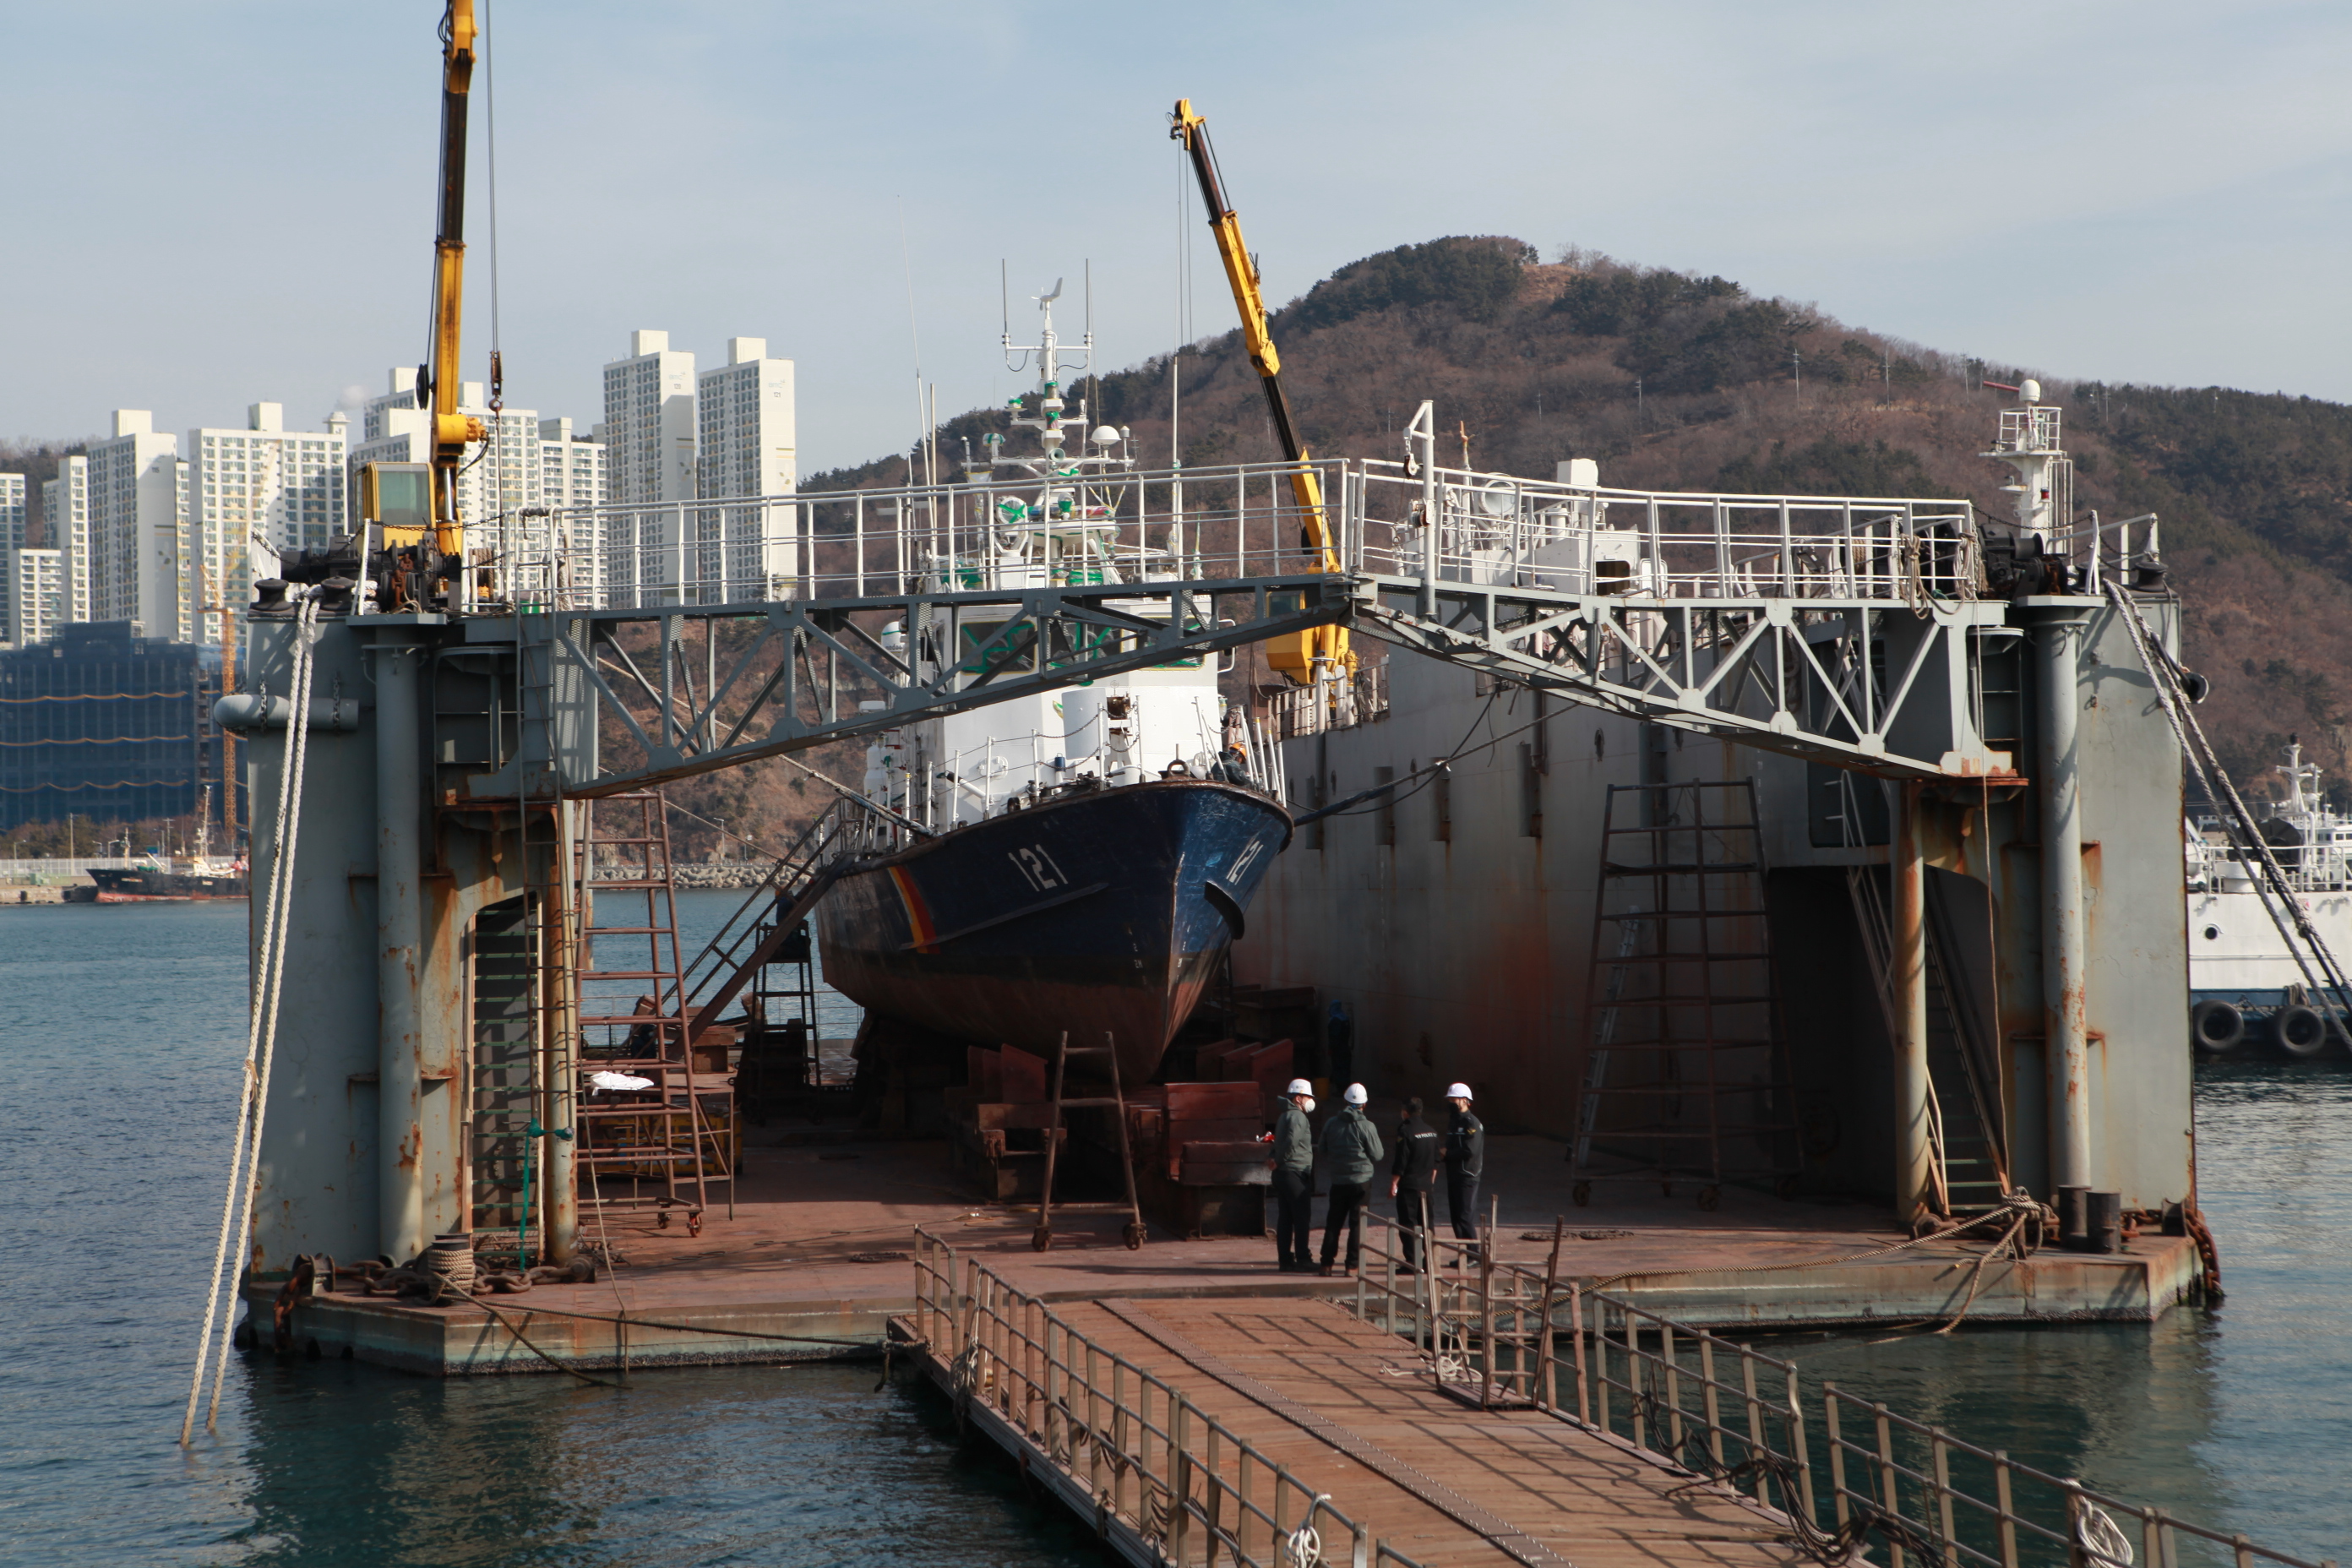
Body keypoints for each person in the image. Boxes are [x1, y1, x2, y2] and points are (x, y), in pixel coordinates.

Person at [1317, 1083, 1385, 1276]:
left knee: (1333, 1223)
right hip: (1361, 1182)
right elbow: (1378, 1154)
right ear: (1364, 1104)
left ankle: (1326, 1264)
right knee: (1357, 1225)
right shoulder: (1367, 1126)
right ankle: (1352, 1266)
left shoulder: (1332, 1123)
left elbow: (1322, 1149)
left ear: (1345, 1101)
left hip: (1338, 1181)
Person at [1262, 1078, 1316, 1272]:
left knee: (1285, 1218)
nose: (1311, 1101)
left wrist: (1273, 1158)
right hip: (1294, 1172)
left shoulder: (1284, 1115)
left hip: (1283, 1174)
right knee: (1301, 1218)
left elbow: (1279, 1141)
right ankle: (1303, 1259)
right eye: (1308, 1097)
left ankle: (1285, 1260)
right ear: (1298, 1098)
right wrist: (1279, 1159)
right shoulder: (1298, 1117)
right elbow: (1291, 1142)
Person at [1389, 1096, 1440, 1270]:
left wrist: (1394, 1183)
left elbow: (1401, 1161)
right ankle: (1430, 1260)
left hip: (1409, 1186)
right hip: (1426, 1187)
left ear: (1405, 1112)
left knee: (1408, 1224)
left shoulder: (1406, 1131)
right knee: (1427, 1223)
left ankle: (1412, 1261)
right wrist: (1430, 1182)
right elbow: (1436, 1161)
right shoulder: (1432, 1132)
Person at [1442, 1081, 1484, 1266]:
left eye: (1454, 1099)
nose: (1451, 1102)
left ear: (1465, 1100)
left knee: (1465, 1216)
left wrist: (1447, 1154)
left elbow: (1470, 1150)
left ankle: (1474, 1255)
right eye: (1450, 1099)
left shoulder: (1471, 1123)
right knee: (1456, 1217)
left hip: (1467, 1175)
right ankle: (1464, 1254)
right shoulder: (1454, 1121)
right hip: (1453, 1174)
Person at [1324, 1001, 1354, 1092]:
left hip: (1338, 1050)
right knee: (1345, 1070)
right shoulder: (1345, 1018)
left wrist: (1331, 1048)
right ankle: (1346, 1090)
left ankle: (1340, 1090)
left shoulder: (1335, 1020)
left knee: (1339, 1069)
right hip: (1346, 1048)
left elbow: (1334, 1036)